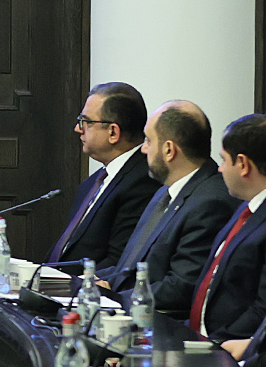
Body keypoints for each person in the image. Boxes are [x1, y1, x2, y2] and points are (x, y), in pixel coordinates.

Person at [97, 100, 235, 311]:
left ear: (169, 150)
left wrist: (114, 297)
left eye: (148, 141)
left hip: (157, 321)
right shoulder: (165, 191)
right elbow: (129, 267)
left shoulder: (210, 203)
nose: (144, 150)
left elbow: (181, 287)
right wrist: (90, 282)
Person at [48, 82, 158, 268]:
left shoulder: (143, 182)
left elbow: (118, 261)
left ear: (113, 132)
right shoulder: (92, 183)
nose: (78, 128)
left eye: (86, 121)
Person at [186, 114, 266, 342]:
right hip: (196, 336)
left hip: (228, 347)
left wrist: (214, 345)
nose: (220, 169)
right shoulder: (244, 209)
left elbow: (261, 310)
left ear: (243, 164)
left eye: (223, 160)